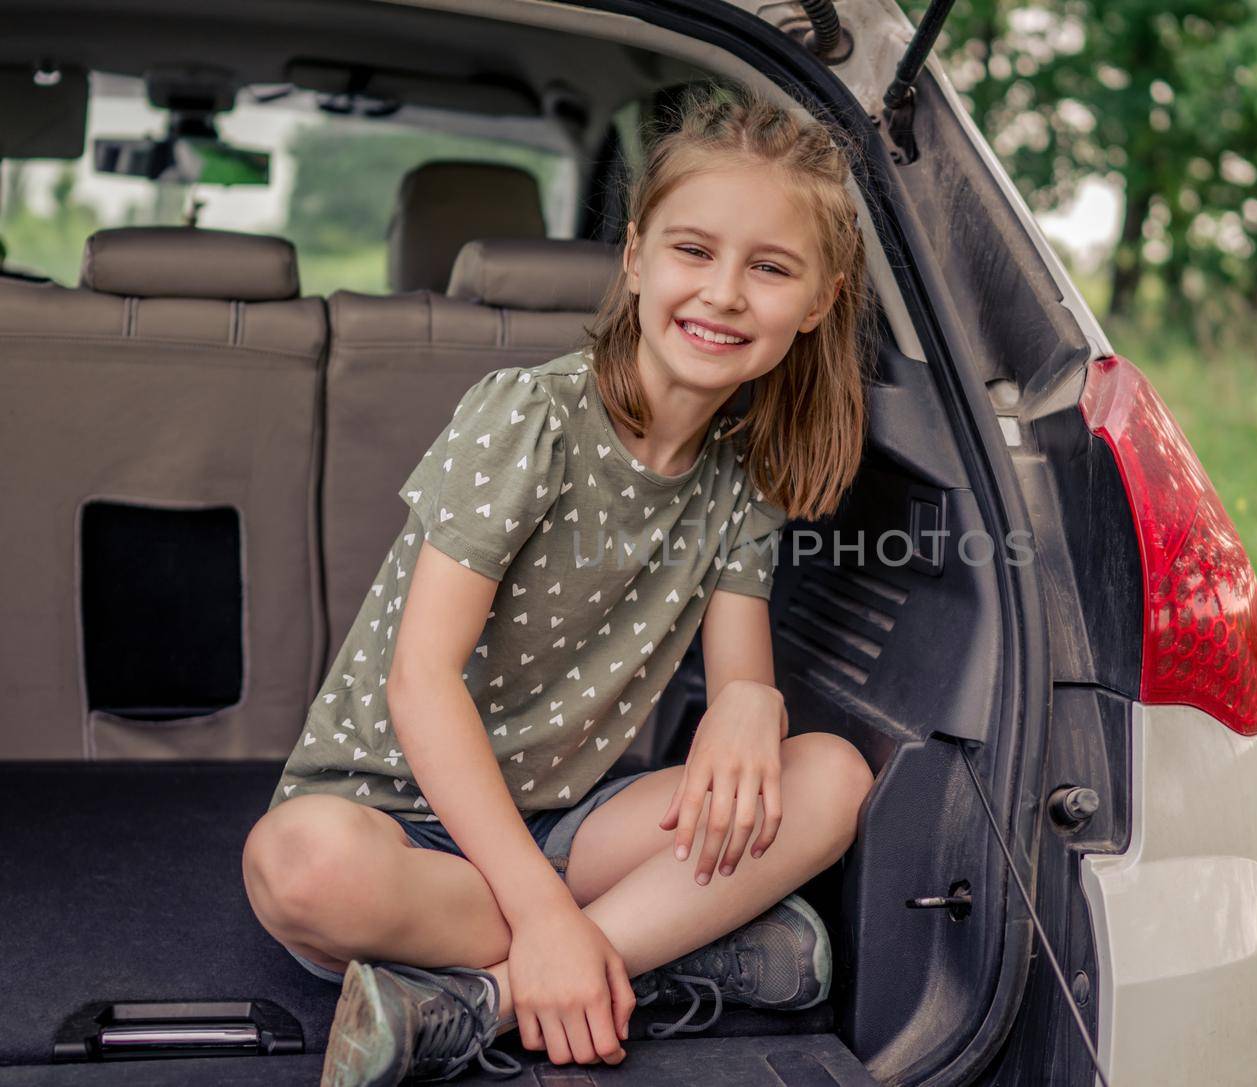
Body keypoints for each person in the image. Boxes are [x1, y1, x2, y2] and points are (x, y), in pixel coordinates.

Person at [241, 81, 878, 1086]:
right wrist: (539, 911)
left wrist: (752, 703)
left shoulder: (743, 467)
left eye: (769, 268)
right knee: (297, 867)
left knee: (831, 775)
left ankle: (478, 1003)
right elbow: (421, 680)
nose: (721, 293)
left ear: (817, 303)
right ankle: (663, 949)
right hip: (393, 822)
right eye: (693, 250)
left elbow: (741, 668)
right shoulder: (528, 417)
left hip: (565, 821)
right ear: (634, 256)